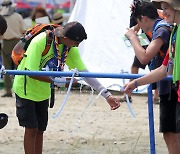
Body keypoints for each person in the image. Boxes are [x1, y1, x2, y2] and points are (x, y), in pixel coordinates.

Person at [13, 21, 120, 154]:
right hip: (25, 88)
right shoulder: (40, 41)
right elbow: (31, 72)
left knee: (40, 130)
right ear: (65, 38)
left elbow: (85, 73)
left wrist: (107, 95)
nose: (78, 45)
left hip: (43, 91)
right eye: (77, 42)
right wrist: (60, 81)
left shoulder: (69, 48)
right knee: (31, 129)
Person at [124, 0, 180, 153]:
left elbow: (144, 58)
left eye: (166, 8)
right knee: (170, 132)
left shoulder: (162, 29)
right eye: (162, 9)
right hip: (171, 86)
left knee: (172, 132)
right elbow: (165, 68)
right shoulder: (173, 31)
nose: (163, 12)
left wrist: (133, 37)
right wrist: (136, 83)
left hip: (172, 89)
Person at [119, 0, 159, 103]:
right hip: (144, 40)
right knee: (136, 66)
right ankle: (129, 93)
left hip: (150, 40)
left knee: (156, 68)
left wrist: (133, 36)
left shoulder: (151, 7)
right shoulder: (138, 5)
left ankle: (156, 95)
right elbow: (136, 23)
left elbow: (144, 59)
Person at [0, 0, 26, 97]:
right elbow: (24, 30)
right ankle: (19, 90)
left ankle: (7, 91)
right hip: (18, 42)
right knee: (19, 67)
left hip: (5, 42)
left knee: (6, 68)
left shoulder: (1, 16)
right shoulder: (17, 16)